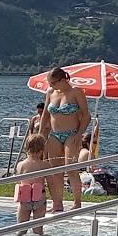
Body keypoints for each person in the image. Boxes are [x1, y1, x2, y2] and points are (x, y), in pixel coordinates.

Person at [41, 67, 90, 211]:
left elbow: (86, 115)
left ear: (63, 80)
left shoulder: (76, 92)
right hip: (55, 134)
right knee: (55, 170)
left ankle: (77, 202)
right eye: (49, 84)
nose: (51, 86)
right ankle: (57, 203)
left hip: (72, 133)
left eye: (53, 83)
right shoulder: (51, 92)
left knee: (71, 168)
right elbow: (45, 115)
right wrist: (40, 134)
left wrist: (79, 134)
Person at [14, 133, 50, 235]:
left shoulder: (20, 165)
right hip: (39, 197)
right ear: (42, 148)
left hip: (24, 198)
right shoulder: (45, 165)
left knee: (21, 230)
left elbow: (19, 181)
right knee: (38, 231)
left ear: (26, 147)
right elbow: (51, 183)